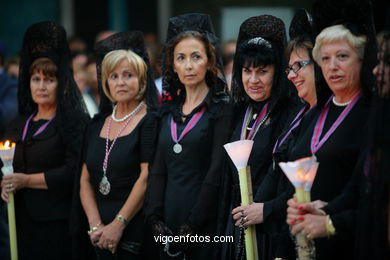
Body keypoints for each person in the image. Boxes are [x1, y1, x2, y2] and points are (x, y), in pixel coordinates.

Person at [286, 13, 390, 260]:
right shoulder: (314, 113)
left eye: (342, 57)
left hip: (354, 243)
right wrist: (320, 211)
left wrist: (331, 221)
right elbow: (355, 188)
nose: (332, 66)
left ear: (363, 61)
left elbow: (369, 194)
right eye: (325, 59)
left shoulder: (371, 114)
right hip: (313, 234)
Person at [0, 21, 88, 260]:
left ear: (61, 83)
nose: (40, 86)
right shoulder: (18, 123)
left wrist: (26, 180)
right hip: (20, 220)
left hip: (58, 222)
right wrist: (4, 184)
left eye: (48, 80)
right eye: (35, 79)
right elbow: (5, 165)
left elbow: (74, 171)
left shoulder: (74, 122)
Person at [146, 13, 230, 260]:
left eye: (196, 57)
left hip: (204, 223)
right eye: (181, 58)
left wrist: (193, 224)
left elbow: (216, 171)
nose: (189, 65)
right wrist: (154, 217)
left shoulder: (221, 109)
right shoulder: (166, 112)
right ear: (172, 65)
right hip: (168, 222)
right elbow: (159, 170)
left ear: (209, 62)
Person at [220, 15, 299, 260]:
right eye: (247, 71)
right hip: (235, 225)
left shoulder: (291, 113)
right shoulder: (237, 111)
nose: (253, 80)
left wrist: (265, 209)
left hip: (272, 229)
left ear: (277, 73)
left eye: (262, 71)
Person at [79, 31, 159, 260]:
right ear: (105, 82)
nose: (121, 82)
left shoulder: (150, 121)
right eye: (113, 76)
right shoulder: (97, 123)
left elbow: (146, 177)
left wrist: (118, 224)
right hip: (97, 233)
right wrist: (95, 225)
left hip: (133, 232)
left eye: (128, 75)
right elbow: (84, 178)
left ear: (142, 80)